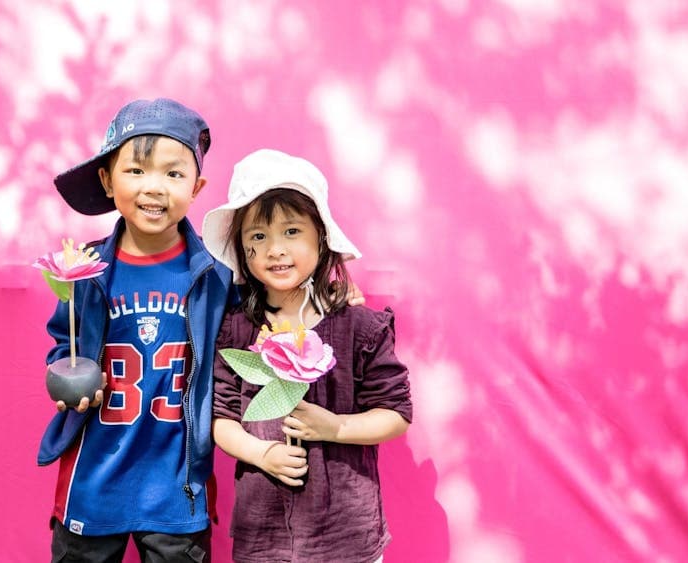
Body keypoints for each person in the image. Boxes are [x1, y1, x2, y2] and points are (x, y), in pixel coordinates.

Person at [38, 97, 237, 562]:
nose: (155, 187)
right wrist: (66, 378)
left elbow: (258, 323)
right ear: (107, 179)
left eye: (173, 173)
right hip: (94, 478)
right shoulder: (83, 271)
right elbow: (62, 344)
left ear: (197, 186)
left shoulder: (216, 273)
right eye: (136, 171)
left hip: (177, 487)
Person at [202, 148, 413, 563]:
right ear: (243, 251)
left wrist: (333, 427)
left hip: (346, 539)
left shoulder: (360, 328)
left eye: (292, 231)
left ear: (322, 237)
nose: (275, 249)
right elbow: (222, 421)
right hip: (264, 541)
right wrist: (264, 454)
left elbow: (396, 414)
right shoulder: (236, 330)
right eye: (258, 237)